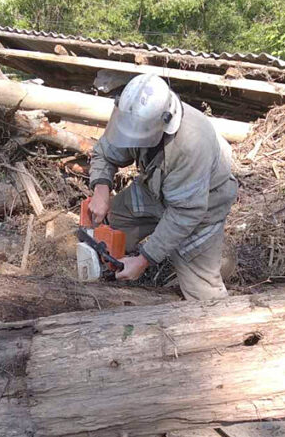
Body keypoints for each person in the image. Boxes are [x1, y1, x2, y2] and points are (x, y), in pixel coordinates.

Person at [86, 74, 238, 300]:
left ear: (163, 124)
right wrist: (101, 189)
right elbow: (105, 153)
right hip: (156, 189)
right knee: (115, 217)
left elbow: (185, 212)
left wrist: (144, 259)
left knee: (204, 297)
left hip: (202, 205)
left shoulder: (193, 143)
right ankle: (109, 267)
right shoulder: (132, 116)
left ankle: (218, 286)